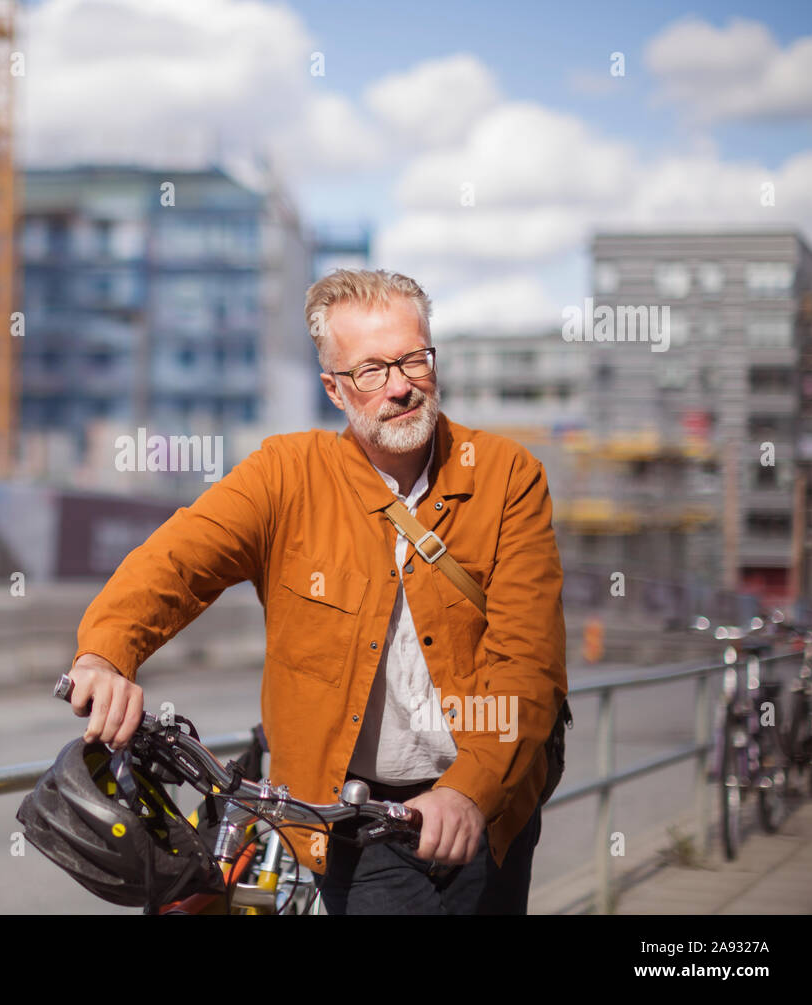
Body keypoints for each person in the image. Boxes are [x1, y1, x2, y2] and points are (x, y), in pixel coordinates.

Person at [63, 268, 567, 915]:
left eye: (415, 358)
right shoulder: (285, 474)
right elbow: (174, 562)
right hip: (355, 820)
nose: (402, 385)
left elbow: (529, 662)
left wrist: (468, 791)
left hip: (485, 807)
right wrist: (105, 655)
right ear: (333, 387)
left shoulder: (506, 476)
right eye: (372, 370)